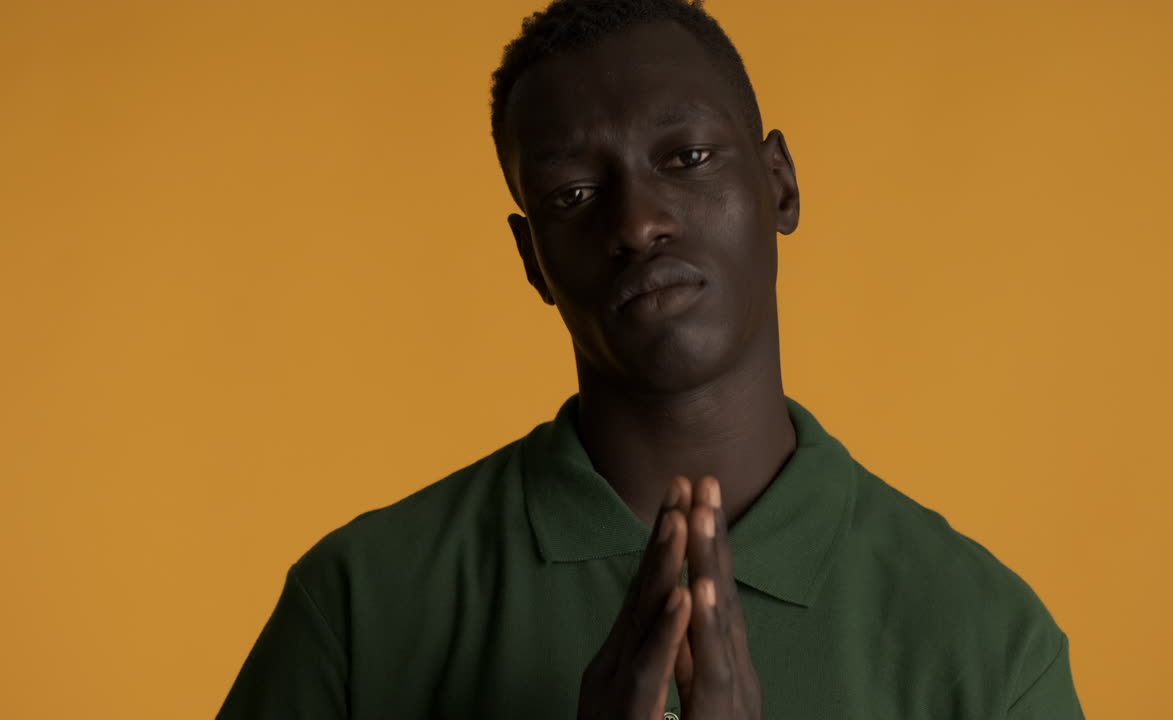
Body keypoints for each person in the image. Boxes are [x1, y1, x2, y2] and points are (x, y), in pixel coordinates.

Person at [217, 1, 1086, 718]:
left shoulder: (987, 643)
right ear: (533, 262)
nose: (636, 223)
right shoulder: (362, 606)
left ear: (779, 183)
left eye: (688, 157)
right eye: (574, 195)